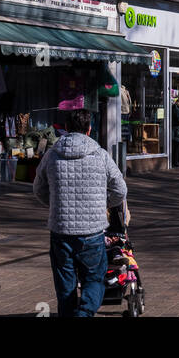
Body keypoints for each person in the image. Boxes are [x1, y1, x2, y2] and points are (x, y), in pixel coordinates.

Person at [33, 108, 127, 318]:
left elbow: (38, 188)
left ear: (66, 129)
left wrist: (55, 204)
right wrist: (104, 203)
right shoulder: (101, 155)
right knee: (93, 279)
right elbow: (120, 190)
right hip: (92, 233)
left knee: (65, 285)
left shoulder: (51, 155)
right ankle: (84, 313)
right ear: (89, 129)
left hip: (60, 231)